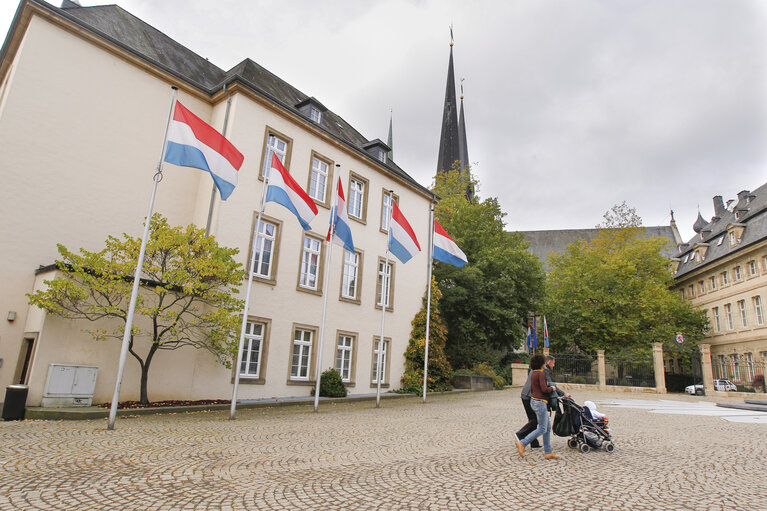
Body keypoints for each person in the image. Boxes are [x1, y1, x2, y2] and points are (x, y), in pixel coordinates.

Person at [515, 354, 560, 460]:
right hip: (540, 402)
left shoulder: (534, 373)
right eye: (544, 362)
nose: (546, 364)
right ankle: (522, 443)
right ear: (541, 364)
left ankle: (548, 452)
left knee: (547, 428)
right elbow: (544, 389)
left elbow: (533, 388)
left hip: (535, 401)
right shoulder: (541, 374)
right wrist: (552, 388)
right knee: (542, 428)